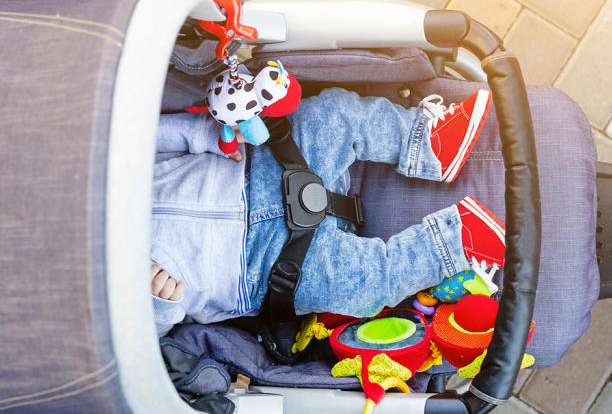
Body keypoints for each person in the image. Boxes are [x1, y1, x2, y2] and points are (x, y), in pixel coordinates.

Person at [149, 87, 505, 335]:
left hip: (259, 170)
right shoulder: (101, 289)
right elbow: (138, 339)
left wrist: (217, 138)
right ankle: (456, 241)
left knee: (330, 114)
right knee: (365, 289)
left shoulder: (107, 161)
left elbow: (159, 135)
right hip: (261, 269)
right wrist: (158, 304)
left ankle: (427, 142)